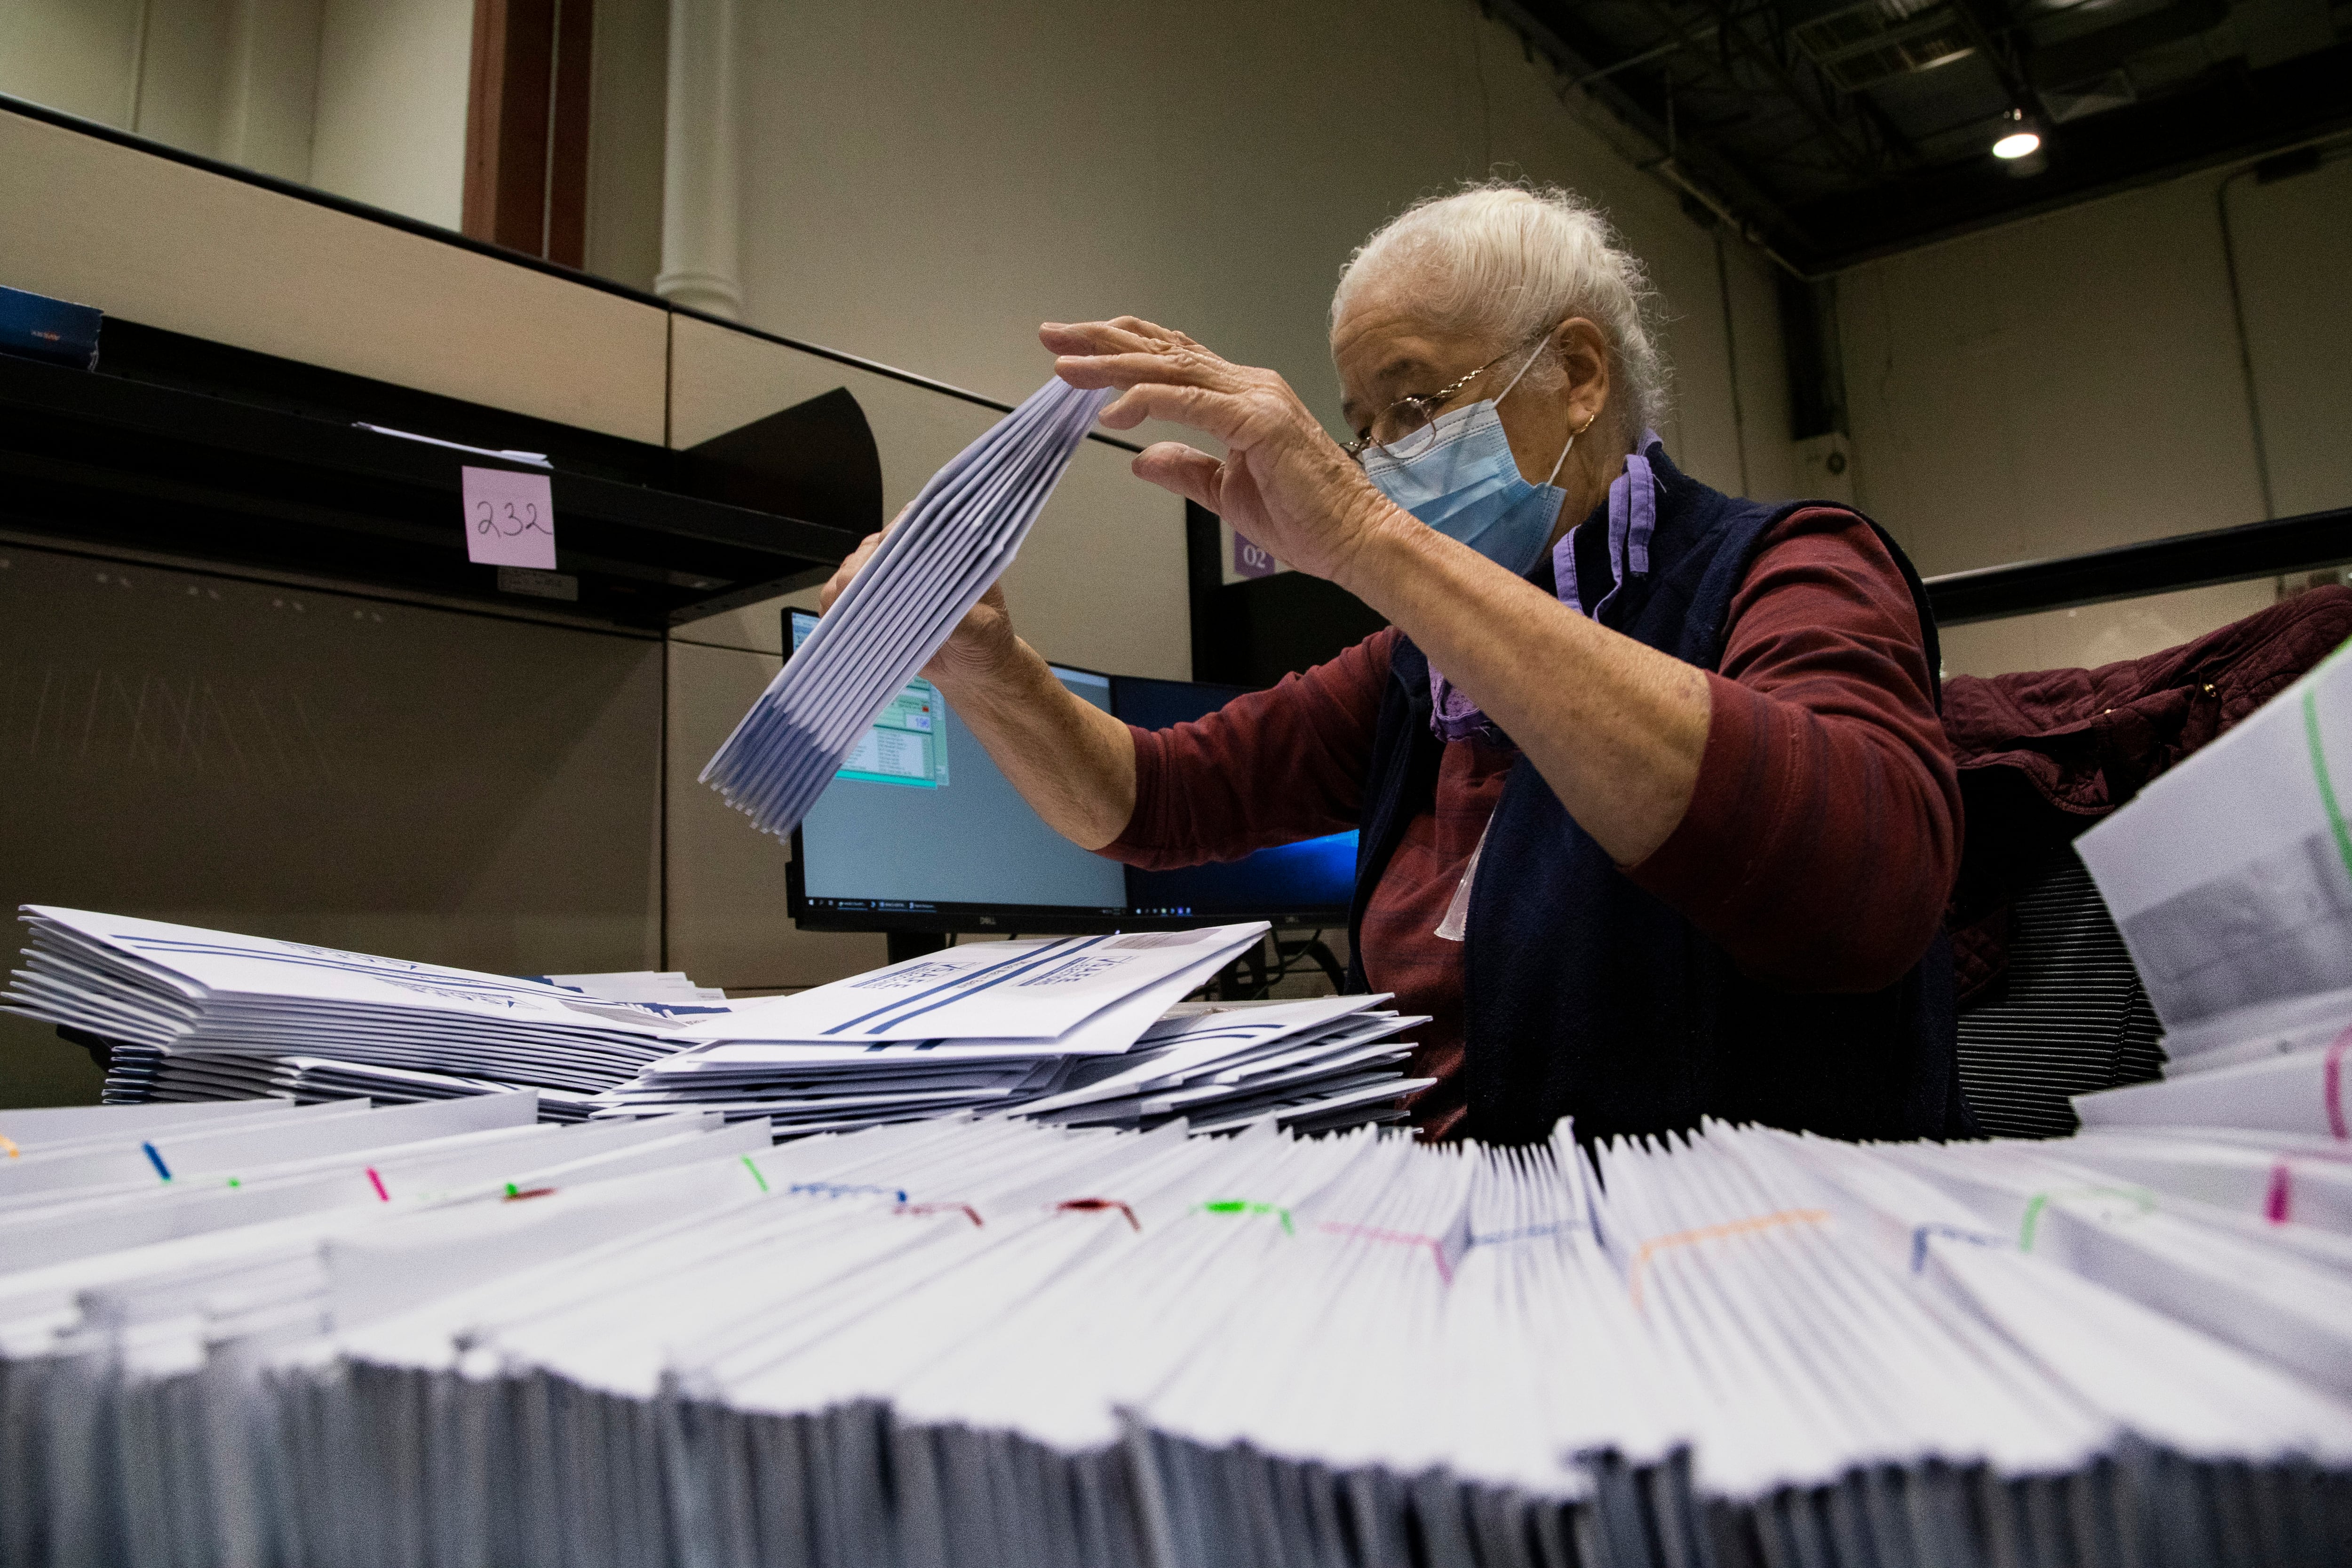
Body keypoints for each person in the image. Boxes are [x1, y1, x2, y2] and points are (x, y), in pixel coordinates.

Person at [823, 182, 1969, 1145]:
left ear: (1577, 372)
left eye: (1413, 403)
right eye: (1361, 426)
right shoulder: (1416, 670)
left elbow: (1857, 887)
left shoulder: (1795, 566)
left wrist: (1374, 544)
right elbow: (1155, 800)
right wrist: (984, 666)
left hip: (1726, 1262)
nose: (1376, 460)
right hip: (1447, 1239)